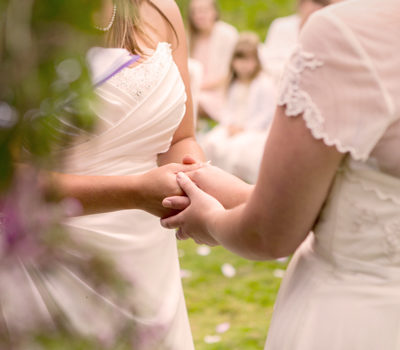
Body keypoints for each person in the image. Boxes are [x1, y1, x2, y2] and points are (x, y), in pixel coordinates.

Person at [161, 0, 400, 349]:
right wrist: (243, 193)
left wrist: (210, 218)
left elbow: (268, 234)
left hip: (352, 322)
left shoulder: (346, 33)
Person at [1, 0, 204, 349]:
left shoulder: (161, 9)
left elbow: (181, 138)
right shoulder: (15, 20)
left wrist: (195, 183)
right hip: (50, 263)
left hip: (150, 265)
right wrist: (135, 192)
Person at [201, 32, 276, 183]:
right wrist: (230, 125)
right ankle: (209, 180)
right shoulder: (233, 83)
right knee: (211, 142)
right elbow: (227, 108)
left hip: (254, 129)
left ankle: (229, 183)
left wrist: (245, 128)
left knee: (234, 150)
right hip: (232, 126)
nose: (243, 65)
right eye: (240, 59)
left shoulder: (263, 83)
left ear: (256, 61)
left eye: (249, 60)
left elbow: (266, 113)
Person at [188, 0, 238, 122]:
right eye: (195, 12)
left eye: (204, 11)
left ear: (214, 12)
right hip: (195, 89)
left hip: (221, 93)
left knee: (190, 101)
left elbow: (229, 74)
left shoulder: (227, 34)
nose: (199, 16)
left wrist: (197, 87)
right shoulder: (190, 37)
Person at [261, 0, 331, 83]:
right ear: (302, 4)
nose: (315, 7)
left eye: (321, 4)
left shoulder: (326, 33)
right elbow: (267, 61)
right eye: (313, 2)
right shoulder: (280, 26)